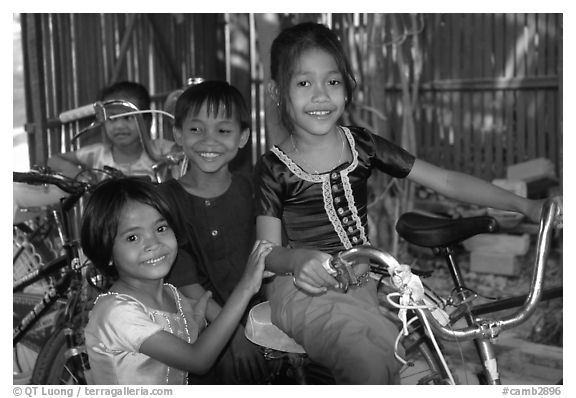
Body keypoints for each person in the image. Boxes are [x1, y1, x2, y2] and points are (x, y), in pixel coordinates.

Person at [254, 22, 545, 384]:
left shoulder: (363, 146)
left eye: (332, 81)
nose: (320, 96)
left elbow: (446, 180)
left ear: (347, 87)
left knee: (430, 350)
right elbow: (267, 253)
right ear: (277, 92)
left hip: (367, 279)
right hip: (301, 291)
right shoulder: (274, 168)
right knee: (368, 362)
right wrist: (296, 259)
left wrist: (526, 206)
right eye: (303, 83)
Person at [81, 177, 273, 385]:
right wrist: (246, 287)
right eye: (133, 238)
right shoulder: (117, 312)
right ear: (106, 251)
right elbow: (198, 360)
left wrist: (195, 325)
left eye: (161, 228)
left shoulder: (171, 294)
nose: (153, 243)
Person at [156, 80, 269, 384]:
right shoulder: (164, 200)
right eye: (196, 129)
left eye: (223, 130)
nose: (209, 141)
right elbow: (187, 283)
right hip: (200, 326)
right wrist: (235, 335)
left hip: (261, 318)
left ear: (243, 137)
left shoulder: (255, 190)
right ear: (177, 134)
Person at [47, 81, 177, 181]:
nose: (119, 126)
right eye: (111, 119)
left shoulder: (162, 150)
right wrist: (81, 177)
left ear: (147, 120)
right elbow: (54, 160)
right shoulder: (97, 155)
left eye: (128, 117)